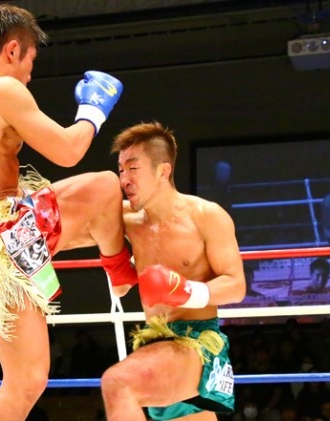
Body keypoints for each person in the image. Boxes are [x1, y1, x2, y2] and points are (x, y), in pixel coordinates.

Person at [0, 4, 135, 419]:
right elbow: (68, 151)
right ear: (12, 50)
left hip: (11, 224)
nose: (30, 74)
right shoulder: (0, 90)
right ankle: (123, 269)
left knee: (103, 190)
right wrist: (94, 110)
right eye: (30, 61)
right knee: (26, 380)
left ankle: (120, 274)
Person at [100, 122, 246, 421]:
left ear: (163, 171)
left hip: (197, 342)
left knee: (118, 383)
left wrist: (186, 291)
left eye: (133, 168)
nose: (124, 179)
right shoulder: (125, 218)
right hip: (156, 343)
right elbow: (74, 222)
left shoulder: (206, 216)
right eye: (121, 170)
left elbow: (236, 285)